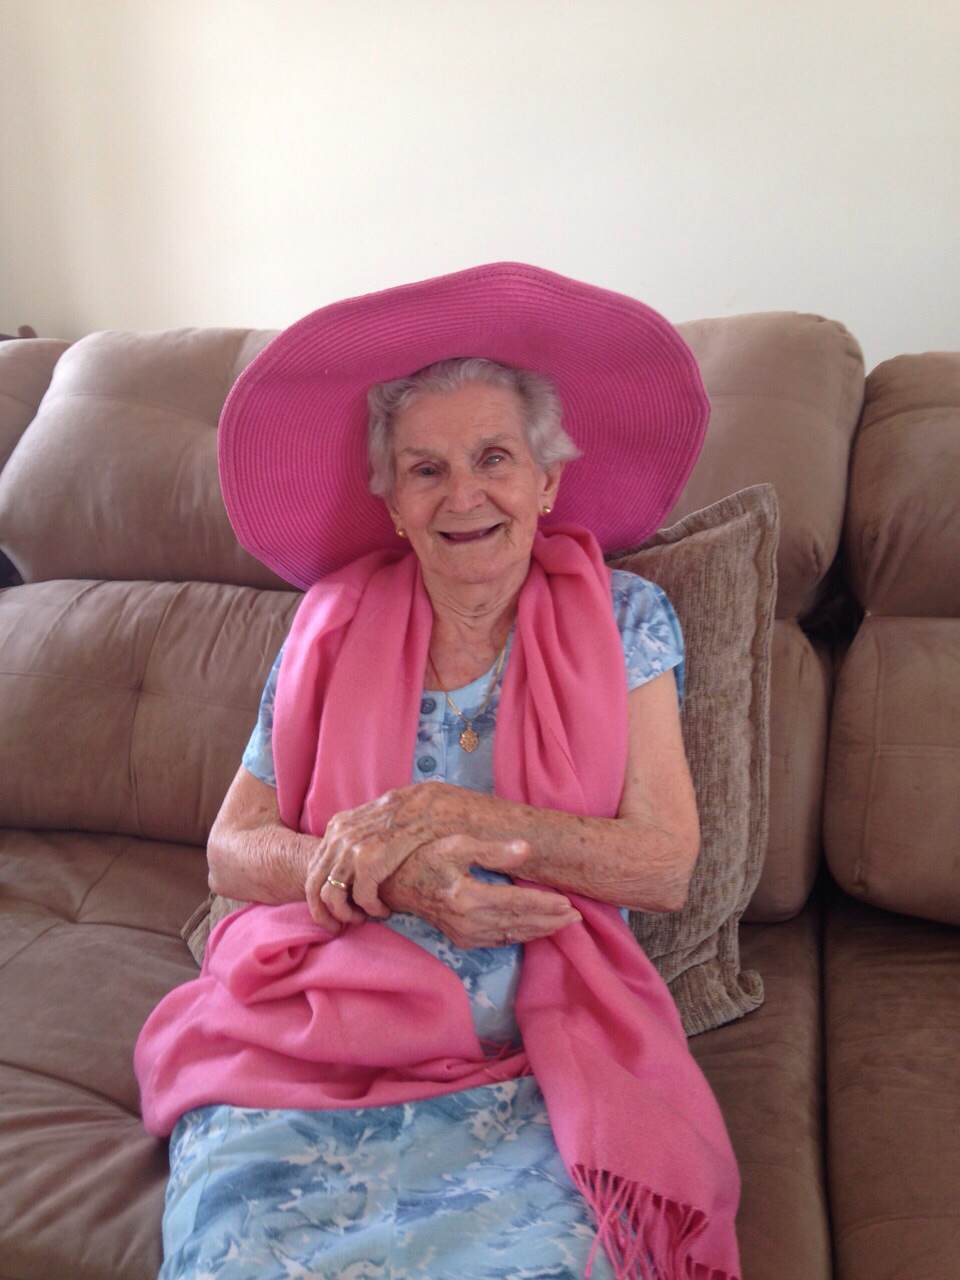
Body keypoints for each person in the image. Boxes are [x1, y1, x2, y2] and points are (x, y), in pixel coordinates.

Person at [136, 262, 742, 1280]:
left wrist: (465, 815)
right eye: (425, 469)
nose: (464, 494)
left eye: (494, 457)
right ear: (394, 504)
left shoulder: (625, 619)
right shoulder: (328, 625)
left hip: (537, 1044)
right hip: (321, 1024)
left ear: (548, 482)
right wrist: (386, 875)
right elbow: (233, 848)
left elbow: (663, 863)